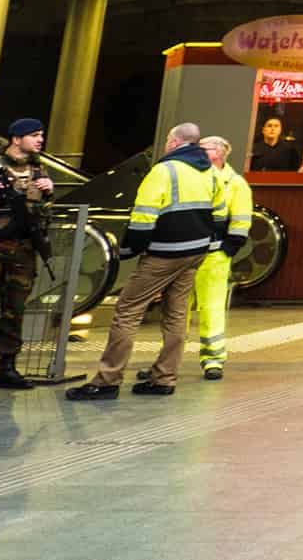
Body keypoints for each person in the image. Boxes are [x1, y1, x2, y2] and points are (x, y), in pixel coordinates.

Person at [65, 124, 229, 401]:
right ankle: (164, 378)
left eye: (167, 140)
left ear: (175, 142)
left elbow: (143, 216)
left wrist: (129, 249)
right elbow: (221, 215)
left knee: (127, 310)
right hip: (195, 254)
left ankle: (107, 380)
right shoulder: (211, 173)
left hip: (164, 253)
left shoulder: (164, 171)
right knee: (176, 315)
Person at [0, 118, 56, 390]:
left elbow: (45, 212)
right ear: (16, 139)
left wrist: (49, 193)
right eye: (34, 135)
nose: (40, 140)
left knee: (15, 309)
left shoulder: (39, 170)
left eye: (41, 135)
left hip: (23, 250)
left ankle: (7, 367)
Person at [189, 137, 252, 381]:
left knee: (212, 307)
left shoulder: (235, 183)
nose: (201, 152)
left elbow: (241, 219)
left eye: (205, 148)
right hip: (189, 251)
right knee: (177, 308)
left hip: (215, 254)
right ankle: (167, 358)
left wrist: (230, 247)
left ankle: (213, 358)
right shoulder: (195, 177)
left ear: (220, 153)